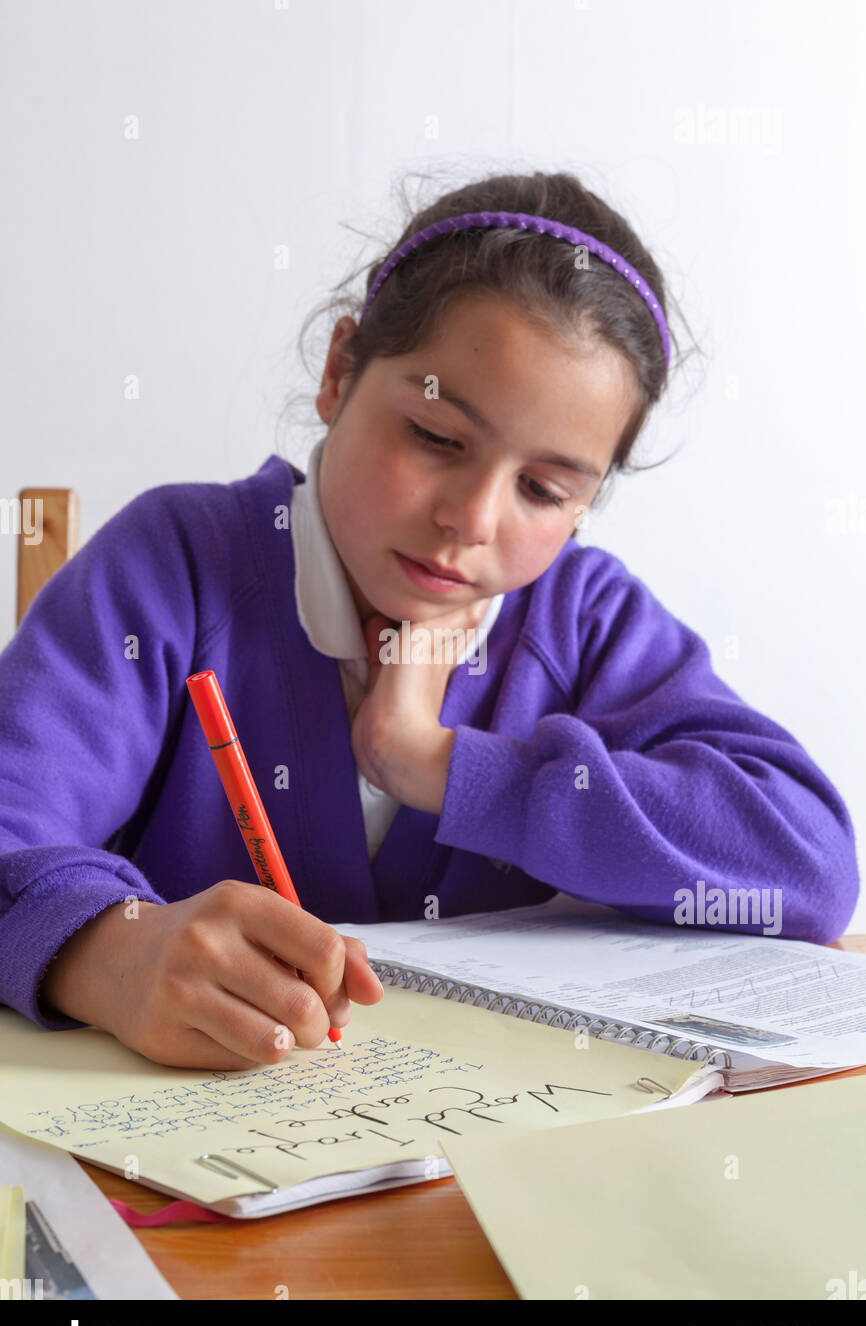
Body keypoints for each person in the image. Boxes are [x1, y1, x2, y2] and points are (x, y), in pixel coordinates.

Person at [0, 170, 858, 1072]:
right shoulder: (177, 564)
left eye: (544, 489)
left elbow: (807, 866)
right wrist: (111, 951)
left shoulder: (584, 618)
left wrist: (442, 766)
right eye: (437, 438)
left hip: (489, 1165)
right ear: (339, 373)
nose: (473, 521)